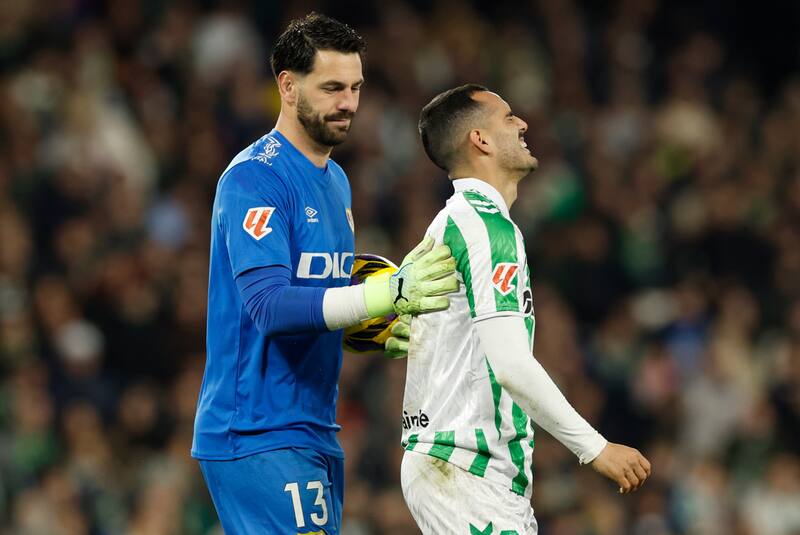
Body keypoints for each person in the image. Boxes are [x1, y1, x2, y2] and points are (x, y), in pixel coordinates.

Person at [191, 14, 457, 534]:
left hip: (310, 425)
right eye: (332, 87)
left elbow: (320, 299)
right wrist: (384, 294)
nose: (349, 103)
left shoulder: (335, 181)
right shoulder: (254, 179)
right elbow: (268, 307)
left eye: (356, 87)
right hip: (254, 428)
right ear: (287, 87)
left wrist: (369, 332)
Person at [399, 84, 651, 534]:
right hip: (465, 468)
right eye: (509, 117)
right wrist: (595, 448)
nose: (523, 124)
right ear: (481, 140)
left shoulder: (450, 224)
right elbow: (512, 365)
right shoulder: (486, 229)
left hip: (458, 468)